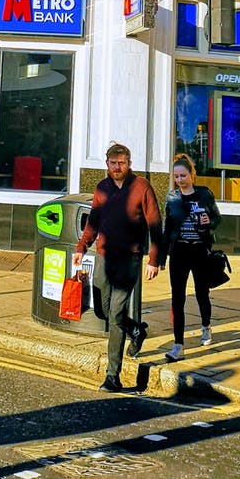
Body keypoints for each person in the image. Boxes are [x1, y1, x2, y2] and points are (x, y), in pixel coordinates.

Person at [72, 143, 163, 393]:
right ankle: (136, 330)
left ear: (129, 163)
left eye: (122, 162)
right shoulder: (102, 188)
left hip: (130, 259)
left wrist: (154, 259)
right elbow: (93, 222)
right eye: (113, 163)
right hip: (104, 257)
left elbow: (155, 223)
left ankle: (113, 376)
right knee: (102, 310)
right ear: (107, 164)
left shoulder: (142, 187)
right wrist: (81, 248)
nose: (117, 167)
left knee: (115, 314)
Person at [161, 153, 221, 360]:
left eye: (183, 176)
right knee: (177, 298)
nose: (179, 180)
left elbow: (217, 218)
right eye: (176, 176)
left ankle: (206, 325)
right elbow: (167, 228)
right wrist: (161, 256)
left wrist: (208, 221)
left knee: (201, 293)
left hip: (199, 250)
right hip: (179, 252)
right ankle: (178, 345)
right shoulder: (172, 198)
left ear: (191, 174)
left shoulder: (204, 194)